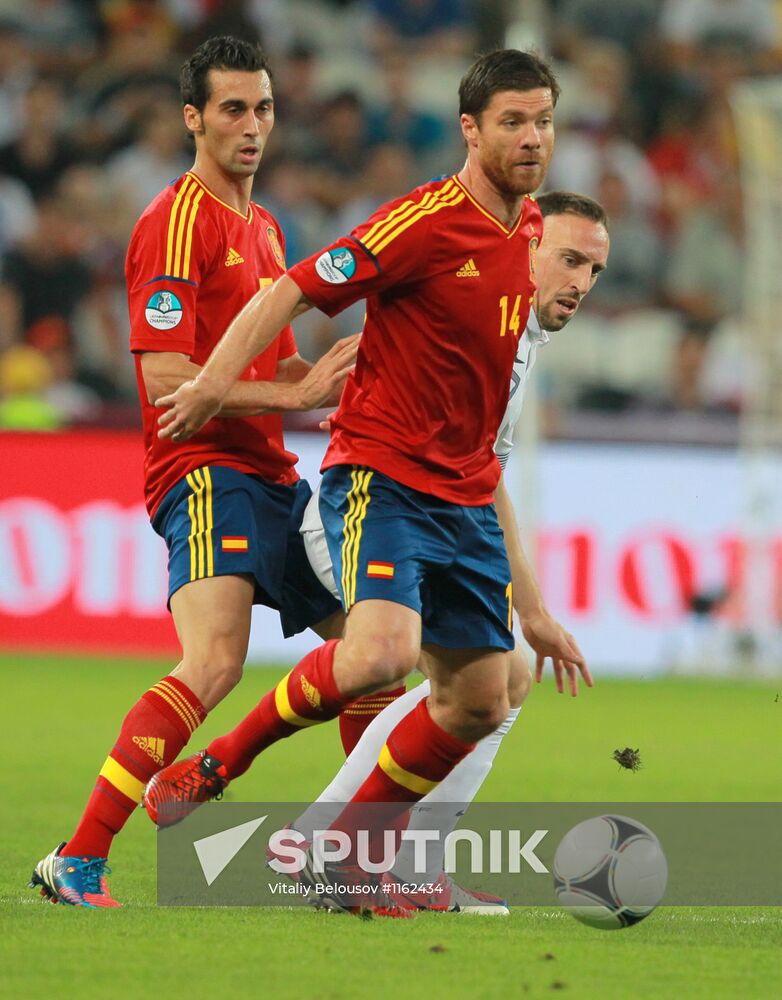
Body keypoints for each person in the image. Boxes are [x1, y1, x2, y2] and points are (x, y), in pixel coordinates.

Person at [145, 49, 591, 919]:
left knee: (481, 699)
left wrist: (532, 606)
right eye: (512, 121)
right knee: (383, 654)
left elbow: (489, 435)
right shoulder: (421, 223)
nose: (532, 137)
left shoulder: (532, 232)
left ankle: (349, 857)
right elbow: (290, 292)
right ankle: (226, 760)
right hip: (379, 478)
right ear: (470, 128)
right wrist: (208, 387)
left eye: (543, 120)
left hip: (463, 497)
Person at [30, 35, 356, 909]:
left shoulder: (265, 226)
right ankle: (79, 857)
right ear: (193, 119)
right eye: (233, 110)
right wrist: (293, 391)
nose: (253, 126)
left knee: (371, 656)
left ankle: (372, 855)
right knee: (213, 661)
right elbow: (167, 381)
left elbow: (283, 376)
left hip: (272, 473)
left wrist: (349, 370)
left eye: (264, 108)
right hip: (204, 470)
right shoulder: (172, 222)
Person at [288, 191, 610, 914]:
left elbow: (485, 479)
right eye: (568, 260)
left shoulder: (519, 341)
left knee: (501, 680)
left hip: (414, 521)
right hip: (359, 513)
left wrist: (532, 610)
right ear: (524, 247)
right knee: (444, 675)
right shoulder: (474, 319)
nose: (581, 284)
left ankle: (400, 857)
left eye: (594, 270)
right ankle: (333, 843)